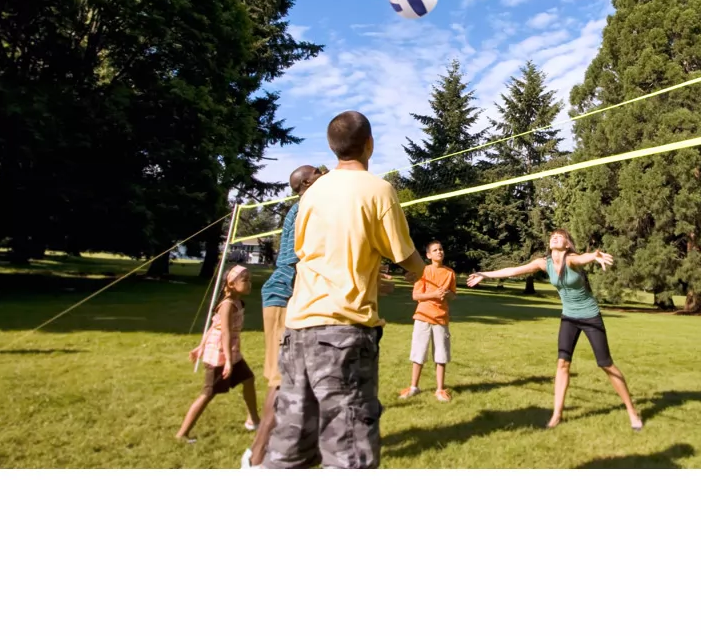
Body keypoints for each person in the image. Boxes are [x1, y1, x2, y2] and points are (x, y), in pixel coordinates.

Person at [263, 111, 426, 469]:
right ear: (369, 144)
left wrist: (364, 276)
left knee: (290, 449)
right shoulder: (378, 189)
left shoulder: (312, 193)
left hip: (297, 330)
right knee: (349, 455)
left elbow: (311, 255)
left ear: (332, 147)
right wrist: (422, 272)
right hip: (343, 334)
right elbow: (403, 253)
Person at [468, 229, 642, 430]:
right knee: (562, 364)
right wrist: (484, 274)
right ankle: (557, 415)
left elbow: (583, 258)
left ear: (567, 244)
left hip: (590, 317)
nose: (555, 237)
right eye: (552, 236)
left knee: (605, 364)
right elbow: (514, 270)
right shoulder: (544, 263)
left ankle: (631, 411)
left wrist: (594, 255)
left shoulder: (571, 259)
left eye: (560, 236)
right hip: (569, 317)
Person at [242, 164, 325, 469]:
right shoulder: (305, 206)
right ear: (306, 182)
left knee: (300, 378)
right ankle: (256, 457)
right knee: (279, 381)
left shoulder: (309, 205)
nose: (323, 174)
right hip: (284, 293)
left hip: (295, 291)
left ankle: (302, 446)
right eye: (318, 172)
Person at [177, 264, 260, 442]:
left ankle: (253, 420)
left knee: (249, 379)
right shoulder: (227, 305)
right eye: (245, 280)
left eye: (249, 280)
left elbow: (214, 325)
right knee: (208, 393)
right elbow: (225, 333)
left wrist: (200, 345)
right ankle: (182, 434)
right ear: (231, 284)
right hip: (220, 356)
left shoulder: (238, 302)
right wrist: (228, 362)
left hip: (231, 352)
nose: (249, 283)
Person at [399, 240, 457, 402]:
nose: (440, 252)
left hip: (441, 319)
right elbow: (416, 296)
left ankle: (440, 390)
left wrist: (446, 294)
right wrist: (434, 295)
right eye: (435, 250)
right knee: (419, 353)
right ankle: (413, 387)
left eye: (441, 249)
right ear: (428, 255)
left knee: (441, 355)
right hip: (423, 317)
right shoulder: (423, 271)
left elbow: (453, 295)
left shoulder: (450, 273)